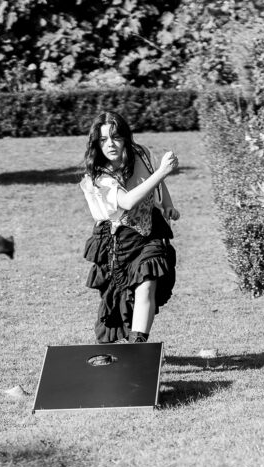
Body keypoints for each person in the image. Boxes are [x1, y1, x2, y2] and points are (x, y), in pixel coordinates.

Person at [79, 111, 180, 343]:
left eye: (115, 137)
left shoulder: (142, 153)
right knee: (119, 298)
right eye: (103, 139)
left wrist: (167, 205)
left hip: (150, 230)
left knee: (147, 283)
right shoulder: (97, 175)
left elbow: (155, 181)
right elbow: (127, 201)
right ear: (97, 143)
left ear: (125, 137)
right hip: (117, 239)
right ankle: (115, 345)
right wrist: (164, 170)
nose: (110, 144)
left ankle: (139, 346)